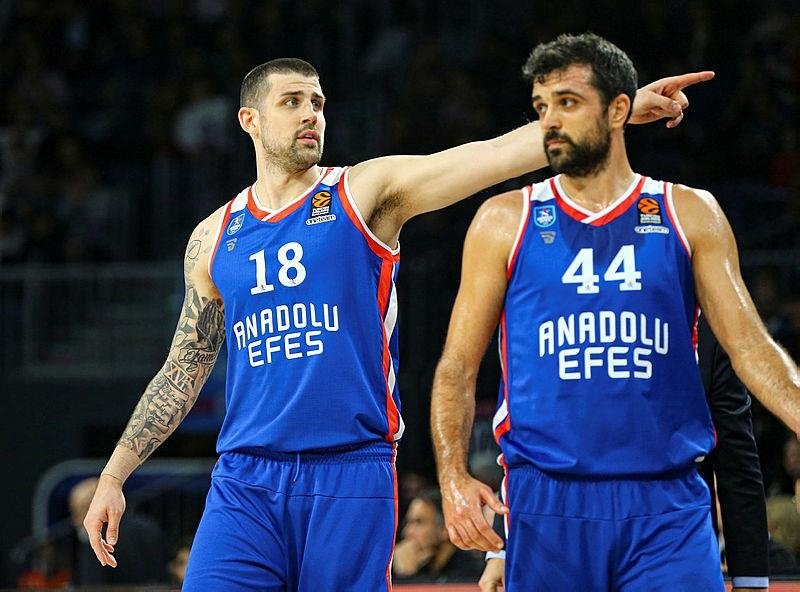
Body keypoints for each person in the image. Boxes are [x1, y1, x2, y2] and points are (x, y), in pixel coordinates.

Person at [82, 57, 711, 591]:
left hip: (349, 469)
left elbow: (490, 156)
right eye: (292, 102)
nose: (311, 114)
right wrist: (114, 474)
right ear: (250, 120)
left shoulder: (364, 192)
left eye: (318, 103)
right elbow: (185, 365)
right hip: (245, 478)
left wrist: (606, 116)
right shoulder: (213, 236)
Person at [430, 33, 800, 592]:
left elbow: (749, 346)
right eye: (541, 106)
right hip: (546, 503)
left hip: (666, 504)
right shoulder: (503, 220)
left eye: (568, 102)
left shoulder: (689, 211)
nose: (551, 121)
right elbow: (457, 366)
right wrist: (453, 477)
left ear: (619, 109)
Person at [476, 314, 770, 591]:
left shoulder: (710, 326)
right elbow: (527, 430)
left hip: (671, 523)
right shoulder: (555, 311)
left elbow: (737, 460)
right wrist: (503, 548)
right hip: (557, 524)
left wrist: (751, 577)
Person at [393, 488, 484, 582]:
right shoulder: (423, 565)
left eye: (418, 522)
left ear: (445, 528)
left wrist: (407, 574)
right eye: (408, 523)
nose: (407, 531)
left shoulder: (470, 573)